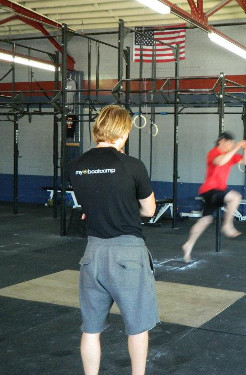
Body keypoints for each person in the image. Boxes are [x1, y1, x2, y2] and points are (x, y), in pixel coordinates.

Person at [68, 105, 159, 375]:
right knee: (138, 326)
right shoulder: (132, 165)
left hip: (93, 253)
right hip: (128, 254)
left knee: (91, 329)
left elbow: (90, 203)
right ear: (125, 131)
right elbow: (150, 210)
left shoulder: (76, 165)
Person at [182, 132, 246, 262]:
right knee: (235, 197)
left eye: (232, 145)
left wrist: (245, 149)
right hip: (210, 190)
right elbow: (220, 162)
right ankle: (227, 225)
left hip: (219, 191)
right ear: (221, 141)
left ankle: (188, 245)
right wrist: (236, 147)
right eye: (229, 144)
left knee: (205, 220)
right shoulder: (213, 152)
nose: (231, 147)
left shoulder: (230, 155)